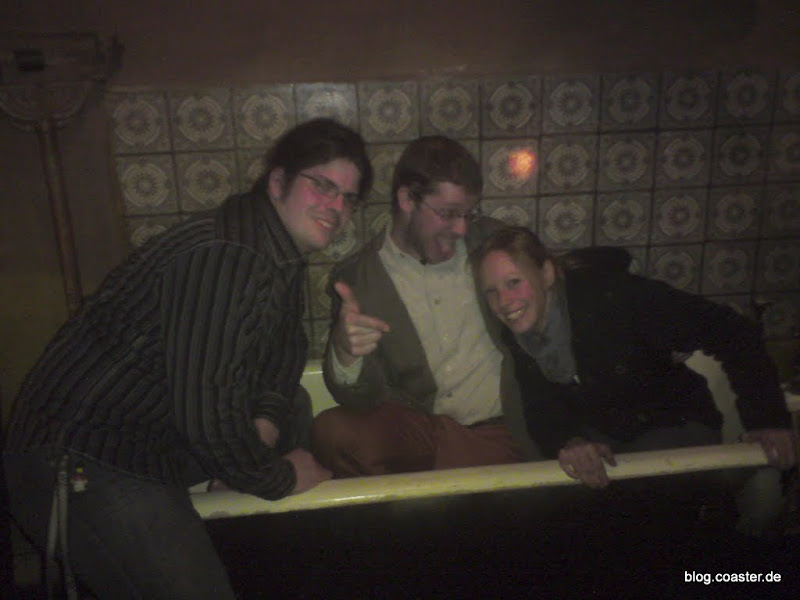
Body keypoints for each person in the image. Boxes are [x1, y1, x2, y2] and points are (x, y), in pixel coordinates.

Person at [3, 118, 372, 599]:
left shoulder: (274, 252)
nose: (337, 207)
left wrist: (263, 425)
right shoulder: (228, 256)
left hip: (148, 440)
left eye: (348, 197)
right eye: (322, 185)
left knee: (294, 406)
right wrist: (278, 477)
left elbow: (285, 356)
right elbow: (205, 412)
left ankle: (235, 537)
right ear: (278, 181)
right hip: (83, 459)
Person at [473, 225, 796, 492]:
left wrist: (767, 420)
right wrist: (570, 441)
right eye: (492, 291)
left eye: (514, 282)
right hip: (613, 444)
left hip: (676, 428)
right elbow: (542, 406)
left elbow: (732, 331)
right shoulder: (522, 337)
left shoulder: (616, 298)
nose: (504, 301)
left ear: (545, 274)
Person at [311, 136, 537, 478]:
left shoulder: (494, 243)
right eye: (448, 213)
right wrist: (345, 352)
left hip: (503, 428)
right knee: (331, 432)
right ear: (407, 199)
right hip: (423, 433)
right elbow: (361, 400)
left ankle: (434, 488)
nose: (461, 228)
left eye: (468, 214)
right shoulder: (358, 279)